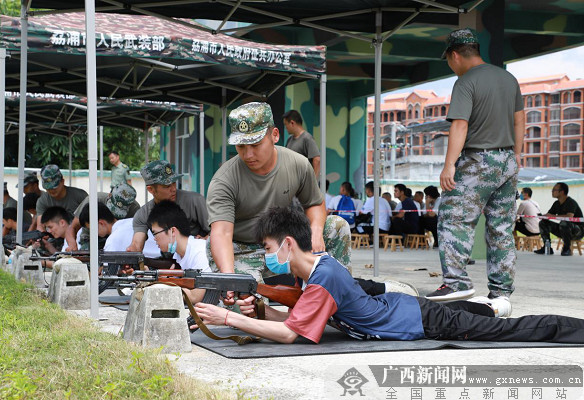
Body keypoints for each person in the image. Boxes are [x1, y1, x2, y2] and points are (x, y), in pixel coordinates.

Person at [193, 206, 584, 344]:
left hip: (419, 320)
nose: (266, 256)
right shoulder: (310, 274)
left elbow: (290, 333)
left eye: (267, 247)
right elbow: (296, 318)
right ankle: (488, 308)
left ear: (289, 245)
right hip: (406, 309)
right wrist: (259, 310)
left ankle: (571, 329)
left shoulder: (323, 275)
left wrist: (229, 317)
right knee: (476, 319)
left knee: (508, 334)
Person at [426, 28, 524, 303]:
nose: (450, 64)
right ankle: (501, 293)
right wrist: (516, 155)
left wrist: (449, 166)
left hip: (478, 159)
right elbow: (519, 120)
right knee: (502, 228)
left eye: (448, 59)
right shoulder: (508, 78)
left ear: (455, 55)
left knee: (453, 216)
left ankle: (456, 282)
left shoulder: (466, 81)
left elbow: (460, 123)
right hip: (507, 160)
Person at [206, 102, 351, 286]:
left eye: (256, 144)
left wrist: (316, 232)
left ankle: (339, 295)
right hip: (240, 249)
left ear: (275, 135)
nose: (248, 154)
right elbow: (222, 234)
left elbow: (314, 203)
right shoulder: (224, 180)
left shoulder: (297, 164)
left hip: (282, 242)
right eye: (241, 146)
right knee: (247, 306)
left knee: (336, 226)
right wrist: (230, 280)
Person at [127, 160, 210, 253]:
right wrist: (132, 251)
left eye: (174, 183)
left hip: (198, 259)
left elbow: (218, 233)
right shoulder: (143, 214)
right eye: (166, 186)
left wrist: (204, 241)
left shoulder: (195, 201)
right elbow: (137, 244)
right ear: (151, 189)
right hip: (169, 262)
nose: (173, 189)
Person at [147, 200, 211, 303]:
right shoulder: (179, 255)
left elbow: (195, 297)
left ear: (172, 231)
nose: (154, 239)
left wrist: (163, 283)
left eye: (155, 233)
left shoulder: (199, 252)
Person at [65, 183, 140, 250]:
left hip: (117, 239)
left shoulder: (135, 209)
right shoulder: (94, 200)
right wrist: (72, 245)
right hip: (91, 238)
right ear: (109, 195)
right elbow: (72, 227)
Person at [79, 202, 161, 257]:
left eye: (92, 229)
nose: (94, 233)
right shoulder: (131, 221)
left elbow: (108, 270)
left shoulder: (113, 240)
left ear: (101, 223)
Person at [535, 182, 584, 256]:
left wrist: (552, 216)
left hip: (577, 231)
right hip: (564, 230)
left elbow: (569, 217)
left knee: (564, 222)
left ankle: (567, 248)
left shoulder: (571, 202)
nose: (552, 191)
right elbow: (549, 215)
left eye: (554, 190)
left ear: (562, 192)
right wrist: (543, 217)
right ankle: (547, 247)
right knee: (543, 223)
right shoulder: (556, 203)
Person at [35, 164, 88, 231]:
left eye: (54, 187)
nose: (51, 190)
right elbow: (40, 226)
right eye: (48, 188)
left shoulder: (80, 196)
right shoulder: (42, 201)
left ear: (62, 181)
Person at [283, 109, 321, 178]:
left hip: (303, 181)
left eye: (286, 125)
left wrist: (313, 182)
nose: (286, 128)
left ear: (292, 123)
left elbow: (317, 159)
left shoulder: (307, 138)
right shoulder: (289, 139)